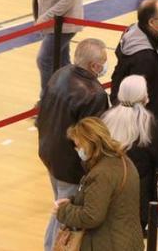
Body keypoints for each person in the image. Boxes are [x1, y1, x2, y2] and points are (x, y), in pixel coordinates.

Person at [37, 39, 112, 251]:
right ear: (94, 66)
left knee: (59, 208)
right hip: (70, 166)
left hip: (49, 153)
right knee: (65, 217)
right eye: (104, 61)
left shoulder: (59, 74)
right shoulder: (94, 94)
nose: (106, 65)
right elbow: (91, 138)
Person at [54, 118, 143, 251]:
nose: (77, 149)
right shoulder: (123, 161)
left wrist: (63, 211)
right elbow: (104, 199)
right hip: (128, 239)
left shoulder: (101, 174)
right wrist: (74, 202)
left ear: (90, 144)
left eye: (78, 145)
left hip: (108, 243)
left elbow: (91, 216)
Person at [101, 76, 158, 231]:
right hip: (139, 198)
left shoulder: (105, 120)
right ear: (144, 97)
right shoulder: (152, 126)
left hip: (108, 193)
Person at [112, 0, 158, 122]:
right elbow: (137, 96)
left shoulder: (135, 30)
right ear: (151, 22)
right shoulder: (144, 58)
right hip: (146, 120)